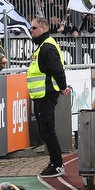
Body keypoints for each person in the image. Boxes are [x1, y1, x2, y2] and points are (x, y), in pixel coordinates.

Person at [28, 17, 71, 178]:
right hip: (41, 94)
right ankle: (54, 161)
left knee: (47, 129)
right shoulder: (42, 46)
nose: (31, 31)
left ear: (43, 29)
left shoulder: (47, 47)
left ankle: (57, 163)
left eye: (34, 28)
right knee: (44, 129)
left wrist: (62, 87)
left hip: (46, 93)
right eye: (31, 28)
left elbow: (57, 69)